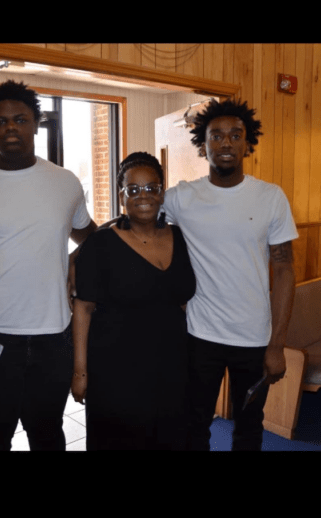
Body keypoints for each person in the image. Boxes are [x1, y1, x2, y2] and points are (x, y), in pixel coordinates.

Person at [0, 80, 97, 451]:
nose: (10, 128)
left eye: (20, 119)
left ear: (36, 124)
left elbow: (91, 238)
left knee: (47, 435)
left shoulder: (64, 183)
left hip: (54, 340)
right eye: (0, 121)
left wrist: (74, 260)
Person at [161, 98, 299, 451]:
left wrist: (277, 345)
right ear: (202, 144)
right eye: (216, 136)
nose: (225, 143)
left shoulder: (270, 197)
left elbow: (284, 270)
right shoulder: (181, 197)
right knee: (194, 424)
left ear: (247, 143)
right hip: (199, 336)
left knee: (250, 426)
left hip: (253, 338)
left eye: (235, 135)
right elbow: (139, 218)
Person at [71, 152, 196, 450]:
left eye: (152, 188)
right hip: (115, 373)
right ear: (121, 195)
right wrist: (80, 371)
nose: (144, 196)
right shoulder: (99, 245)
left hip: (171, 370)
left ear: (162, 193)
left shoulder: (182, 238)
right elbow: (83, 309)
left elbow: (183, 301)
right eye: (134, 189)